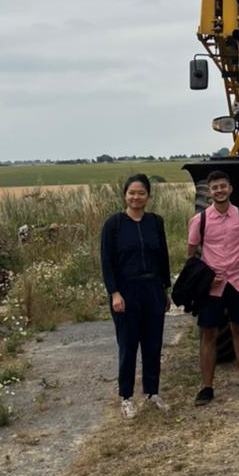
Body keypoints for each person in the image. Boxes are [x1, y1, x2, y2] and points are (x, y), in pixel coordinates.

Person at [100, 174, 171, 420]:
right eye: (132, 193)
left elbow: (163, 257)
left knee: (153, 345)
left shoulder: (155, 222)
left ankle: (152, 393)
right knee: (128, 346)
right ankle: (127, 397)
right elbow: (107, 263)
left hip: (152, 289)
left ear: (148, 196)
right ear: (125, 195)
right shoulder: (114, 224)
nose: (136, 197)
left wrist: (165, 289)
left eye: (141, 193)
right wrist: (114, 293)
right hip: (126, 292)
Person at [186, 170, 239, 406]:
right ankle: (206, 387)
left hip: (238, 282)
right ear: (209, 191)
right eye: (215, 187)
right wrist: (204, 279)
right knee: (209, 334)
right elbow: (192, 255)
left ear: (230, 189)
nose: (219, 191)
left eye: (223, 186)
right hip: (212, 286)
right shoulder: (200, 220)